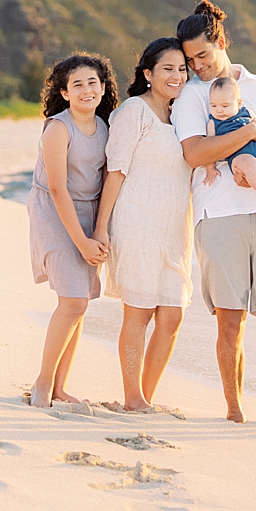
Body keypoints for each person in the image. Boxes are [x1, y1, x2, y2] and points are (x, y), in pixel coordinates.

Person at [170, 0, 256, 432]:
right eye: (190, 60)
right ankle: (234, 408)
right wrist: (250, 132)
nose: (197, 67)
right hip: (217, 216)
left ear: (222, 42)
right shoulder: (190, 95)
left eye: (203, 56)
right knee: (231, 320)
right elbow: (196, 152)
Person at [93, 37, 194, 412]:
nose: (177, 76)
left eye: (182, 69)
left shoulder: (184, 116)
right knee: (139, 311)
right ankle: (133, 397)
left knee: (172, 315)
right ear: (148, 73)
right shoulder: (133, 111)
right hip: (137, 223)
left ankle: (145, 397)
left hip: (174, 230)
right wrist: (101, 228)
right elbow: (114, 171)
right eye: (168, 68)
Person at [25, 53, 118, 408]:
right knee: (73, 300)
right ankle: (43, 385)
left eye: (93, 82)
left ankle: (60, 386)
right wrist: (80, 240)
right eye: (77, 84)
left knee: (80, 303)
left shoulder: (106, 128)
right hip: (54, 212)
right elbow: (59, 188)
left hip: (88, 213)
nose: (86, 90)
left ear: (103, 87)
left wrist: (100, 230)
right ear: (64, 93)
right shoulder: (58, 128)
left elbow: (108, 177)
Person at [200, 76, 256, 203]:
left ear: (238, 103)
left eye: (225, 105)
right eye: (213, 105)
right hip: (239, 158)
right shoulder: (213, 123)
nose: (219, 110)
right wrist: (210, 168)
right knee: (250, 164)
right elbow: (210, 148)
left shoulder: (247, 112)